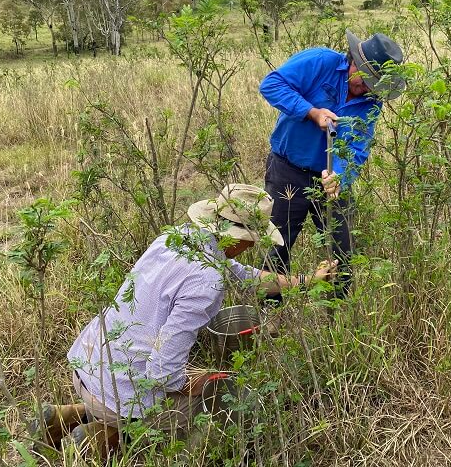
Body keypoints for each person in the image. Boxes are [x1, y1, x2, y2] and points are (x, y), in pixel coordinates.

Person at [31, 184, 335, 455]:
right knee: (223, 394)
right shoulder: (207, 282)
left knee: (153, 379)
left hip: (87, 364)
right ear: (242, 239)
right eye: (254, 239)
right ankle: (100, 439)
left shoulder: (177, 238)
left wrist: (305, 280)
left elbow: (244, 277)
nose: (254, 246)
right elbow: (162, 371)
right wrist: (198, 380)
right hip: (119, 391)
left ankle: (66, 415)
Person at [259, 29, 405, 299]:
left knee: (342, 248)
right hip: (287, 170)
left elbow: (358, 146)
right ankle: (271, 312)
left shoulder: (372, 101)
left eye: (374, 84)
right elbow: (271, 85)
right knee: (277, 242)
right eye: (364, 79)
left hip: (331, 183)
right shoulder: (320, 61)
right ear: (353, 61)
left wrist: (339, 175)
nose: (365, 88)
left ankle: (337, 313)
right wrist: (311, 112)